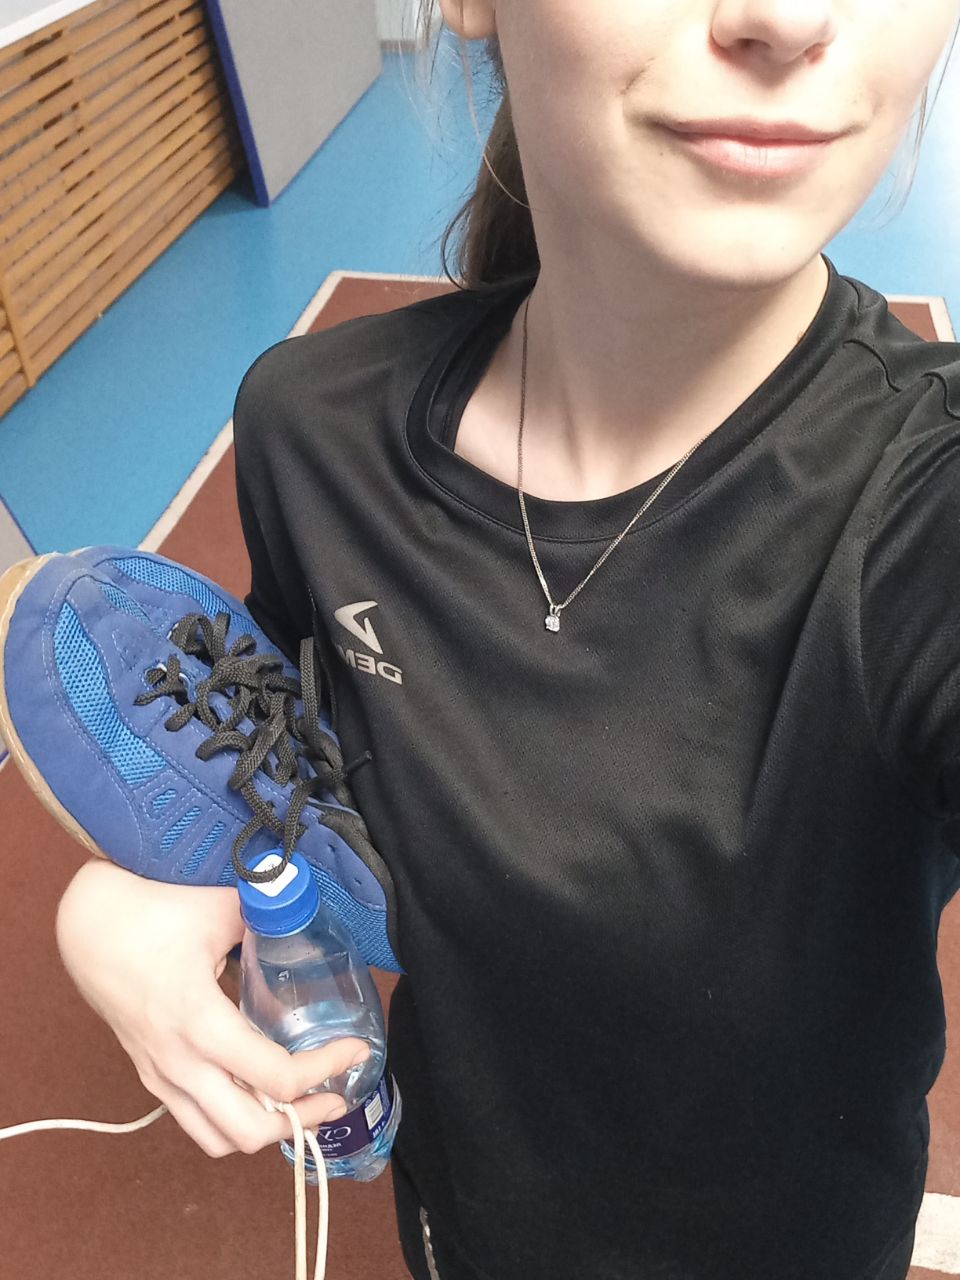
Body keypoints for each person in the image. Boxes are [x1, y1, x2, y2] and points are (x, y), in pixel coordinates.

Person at [53, 1, 960, 1277]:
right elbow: (295, 735)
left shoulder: (924, 505)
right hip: (457, 1219)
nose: (789, 15)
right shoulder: (315, 430)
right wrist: (158, 883)